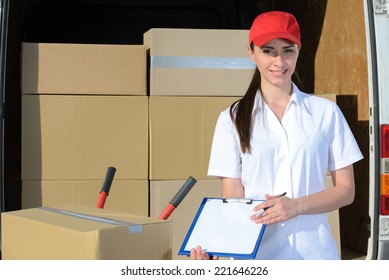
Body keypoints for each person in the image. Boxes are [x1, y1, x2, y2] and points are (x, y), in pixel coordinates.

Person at [190, 10, 363, 260]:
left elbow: (346, 191)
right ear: (251, 53)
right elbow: (233, 197)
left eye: (288, 50)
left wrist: (297, 206)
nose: (279, 62)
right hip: (258, 258)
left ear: (299, 52)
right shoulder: (232, 119)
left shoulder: (326, 113)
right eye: (268, 50)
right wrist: (219, 246)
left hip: (315, 256)